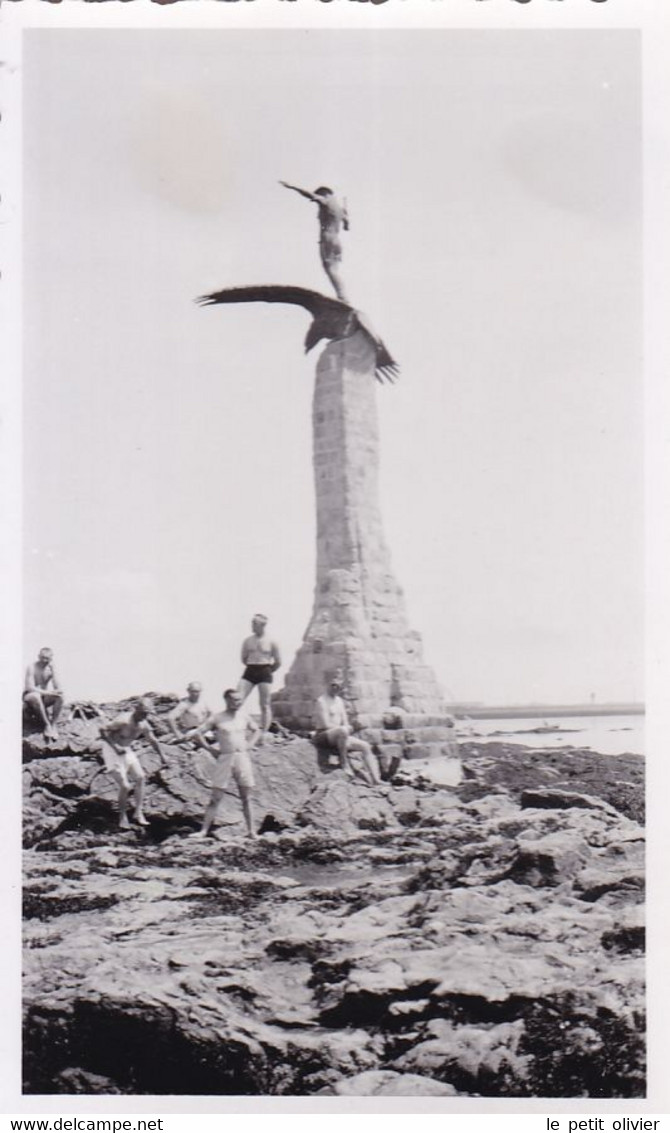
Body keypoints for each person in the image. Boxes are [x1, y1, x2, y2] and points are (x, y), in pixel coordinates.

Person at [190, 689, 259, 839]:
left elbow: (256, 730)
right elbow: (198, 732)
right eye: (234, 700)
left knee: (246, 797)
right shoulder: (217, 718)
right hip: (226, 758)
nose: (238, 703)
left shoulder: (244, 716)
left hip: (242, 757)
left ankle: (251, 831)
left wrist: (250, 744)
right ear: (227, 700)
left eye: (239, 700)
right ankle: (203, 831)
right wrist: (209, 749)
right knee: (216, 797)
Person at [99, 698, 166, 829]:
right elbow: (102, 730)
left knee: (140, 777)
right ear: (136, 709)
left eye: (147, 713)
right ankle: (122, 816)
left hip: (126, 749)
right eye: (143, 713)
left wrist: (162, 755)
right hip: (111, 750)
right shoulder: (123, 720)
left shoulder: (144, 724)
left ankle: (138, 812)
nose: (144, 716)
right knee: (125, 786)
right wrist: (115, 748)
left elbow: (153, 740)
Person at [280, 182, 350, 302]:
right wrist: (346, 218)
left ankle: (343, 297)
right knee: (334, 270)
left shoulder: (327, 201)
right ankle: (342, 295)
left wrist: (293, 187)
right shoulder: (339, 209)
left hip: (327, 238)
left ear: (325, 194)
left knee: (330, 269)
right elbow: (347, 227)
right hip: (337, 241)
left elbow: (310, 195)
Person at [315, 675, 381, 787]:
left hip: (340, 735)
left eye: (338, 686)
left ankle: (376, 779)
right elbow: (326, 724)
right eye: (333, 685)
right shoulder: (321, 701)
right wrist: (344, 729)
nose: (336, 688)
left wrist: (350, 727)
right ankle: (344, 762)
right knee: (342, 731)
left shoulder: (339, 701)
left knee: (365, 746)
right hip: (324, 735)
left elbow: (345, 721)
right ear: (327, 685)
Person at [238, 614, 281, 743]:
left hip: (265, 670)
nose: (252, 626)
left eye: (254, 623)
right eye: (252, 623)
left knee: (264, 704)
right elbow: (243, 658)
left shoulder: (272, 641)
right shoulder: (247, 640)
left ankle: (264, 732)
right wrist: (253, 666)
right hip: (251, 669)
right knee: (238, 698)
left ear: (262, 625)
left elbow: (278, 661)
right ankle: (239, 728)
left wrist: (267, 671)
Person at [23, 647, 64, 741]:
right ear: (38, 656)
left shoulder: (50, 668)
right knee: (35, 696)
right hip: (30, 697)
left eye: (47, 658)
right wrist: (48, 692)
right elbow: (29, 687)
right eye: (42, 657)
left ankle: (53, 725)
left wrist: (53, 671)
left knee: (60, 697)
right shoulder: (32, 667)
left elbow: (58, 687)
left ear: (51, 658)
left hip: (43, 697)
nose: (44, 660)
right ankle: (47, 725)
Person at [166, 681, 211, 747]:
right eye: (193, 691)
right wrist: (177, 734)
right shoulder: (184, 704)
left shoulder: (203, 702)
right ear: (188, 691)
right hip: (192, 731)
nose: (195, 694)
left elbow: (210, 714)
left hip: (204, 729)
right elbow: (170, 717)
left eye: (197, 691)